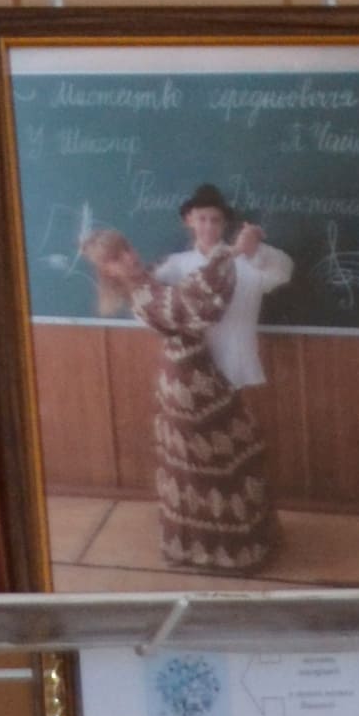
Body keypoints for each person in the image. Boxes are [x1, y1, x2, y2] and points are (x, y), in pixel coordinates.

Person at [80, 213, 284, 579]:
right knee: (211, 466)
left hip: (197, 375)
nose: (129, 257)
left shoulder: (148, 278)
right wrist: (231, 251)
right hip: (188, 386)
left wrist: (218, 250)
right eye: (116, 258)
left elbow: (189, 283)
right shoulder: (144, 295)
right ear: (107, 271)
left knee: (229, 455)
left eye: (126, 249)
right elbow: (195, 305)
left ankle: (237, 543)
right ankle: (221, 551)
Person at [158, 181, 294, 392]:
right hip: (190, 370)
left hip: (236, 371)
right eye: (202, 219)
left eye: (215, 220)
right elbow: (145, 295)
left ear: (224, 224)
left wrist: (256, 250)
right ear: (189, 220)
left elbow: (284, 270)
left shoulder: (247, 261)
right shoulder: (175, 264)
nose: (208, 226)